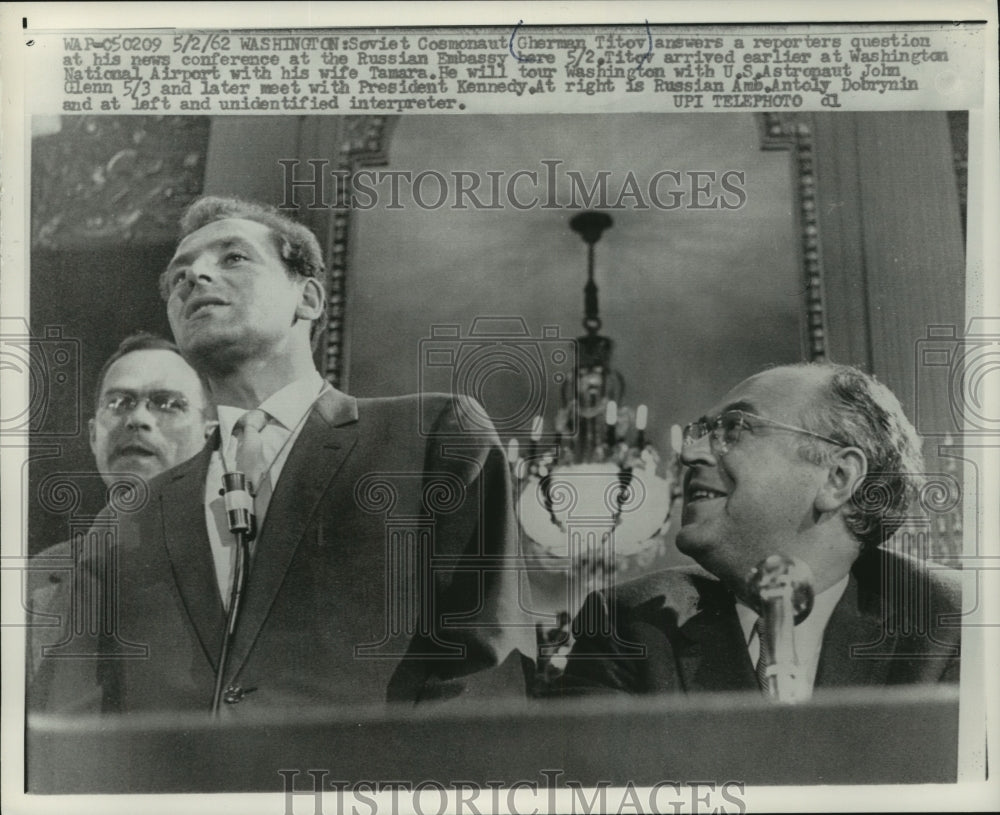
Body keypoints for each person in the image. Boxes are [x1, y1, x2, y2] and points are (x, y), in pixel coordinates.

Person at [47, 196, 534, 715]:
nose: (194, 278)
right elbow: (72, 712)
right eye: (178, 276)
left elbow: (484, 662)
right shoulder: (127, 518)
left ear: (308, 298)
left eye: (232, 257)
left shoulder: (433, 436)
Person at [560, 362, 960, 696]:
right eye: (701, 432)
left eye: (733, 428)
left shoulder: (957, 622)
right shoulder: (632, 625)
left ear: (837, 477)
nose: (688, 453)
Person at [27, 333, 213, 693]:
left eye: (168, 403)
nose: (137, 419)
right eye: (119, 403)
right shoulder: (36, 581)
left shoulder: (239, 566)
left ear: (210, 436)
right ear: (94, 436)